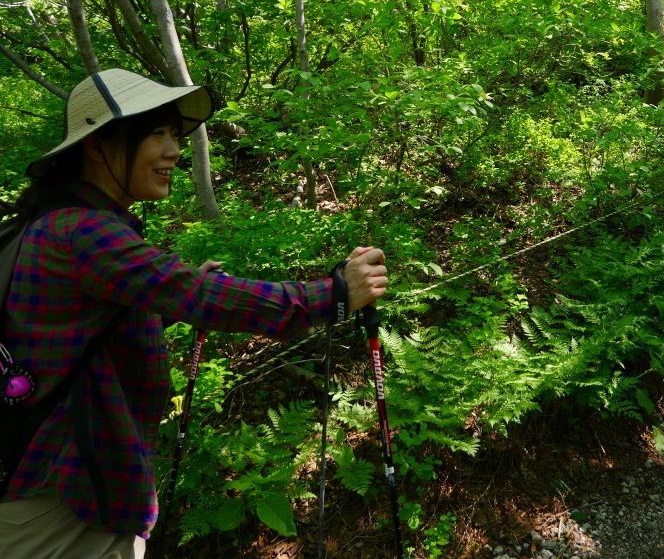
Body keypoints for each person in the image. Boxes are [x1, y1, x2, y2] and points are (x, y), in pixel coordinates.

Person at [0, 68, 388, 558]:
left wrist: (173, 304)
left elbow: (72, 327)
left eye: (176, 135)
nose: (174, 151)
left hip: (56, 486)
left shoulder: (52, 221)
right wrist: (332, 294)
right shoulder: (87, 233)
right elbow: (194, 293)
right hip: (68, 502)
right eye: (156, 133)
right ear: (98, 146)